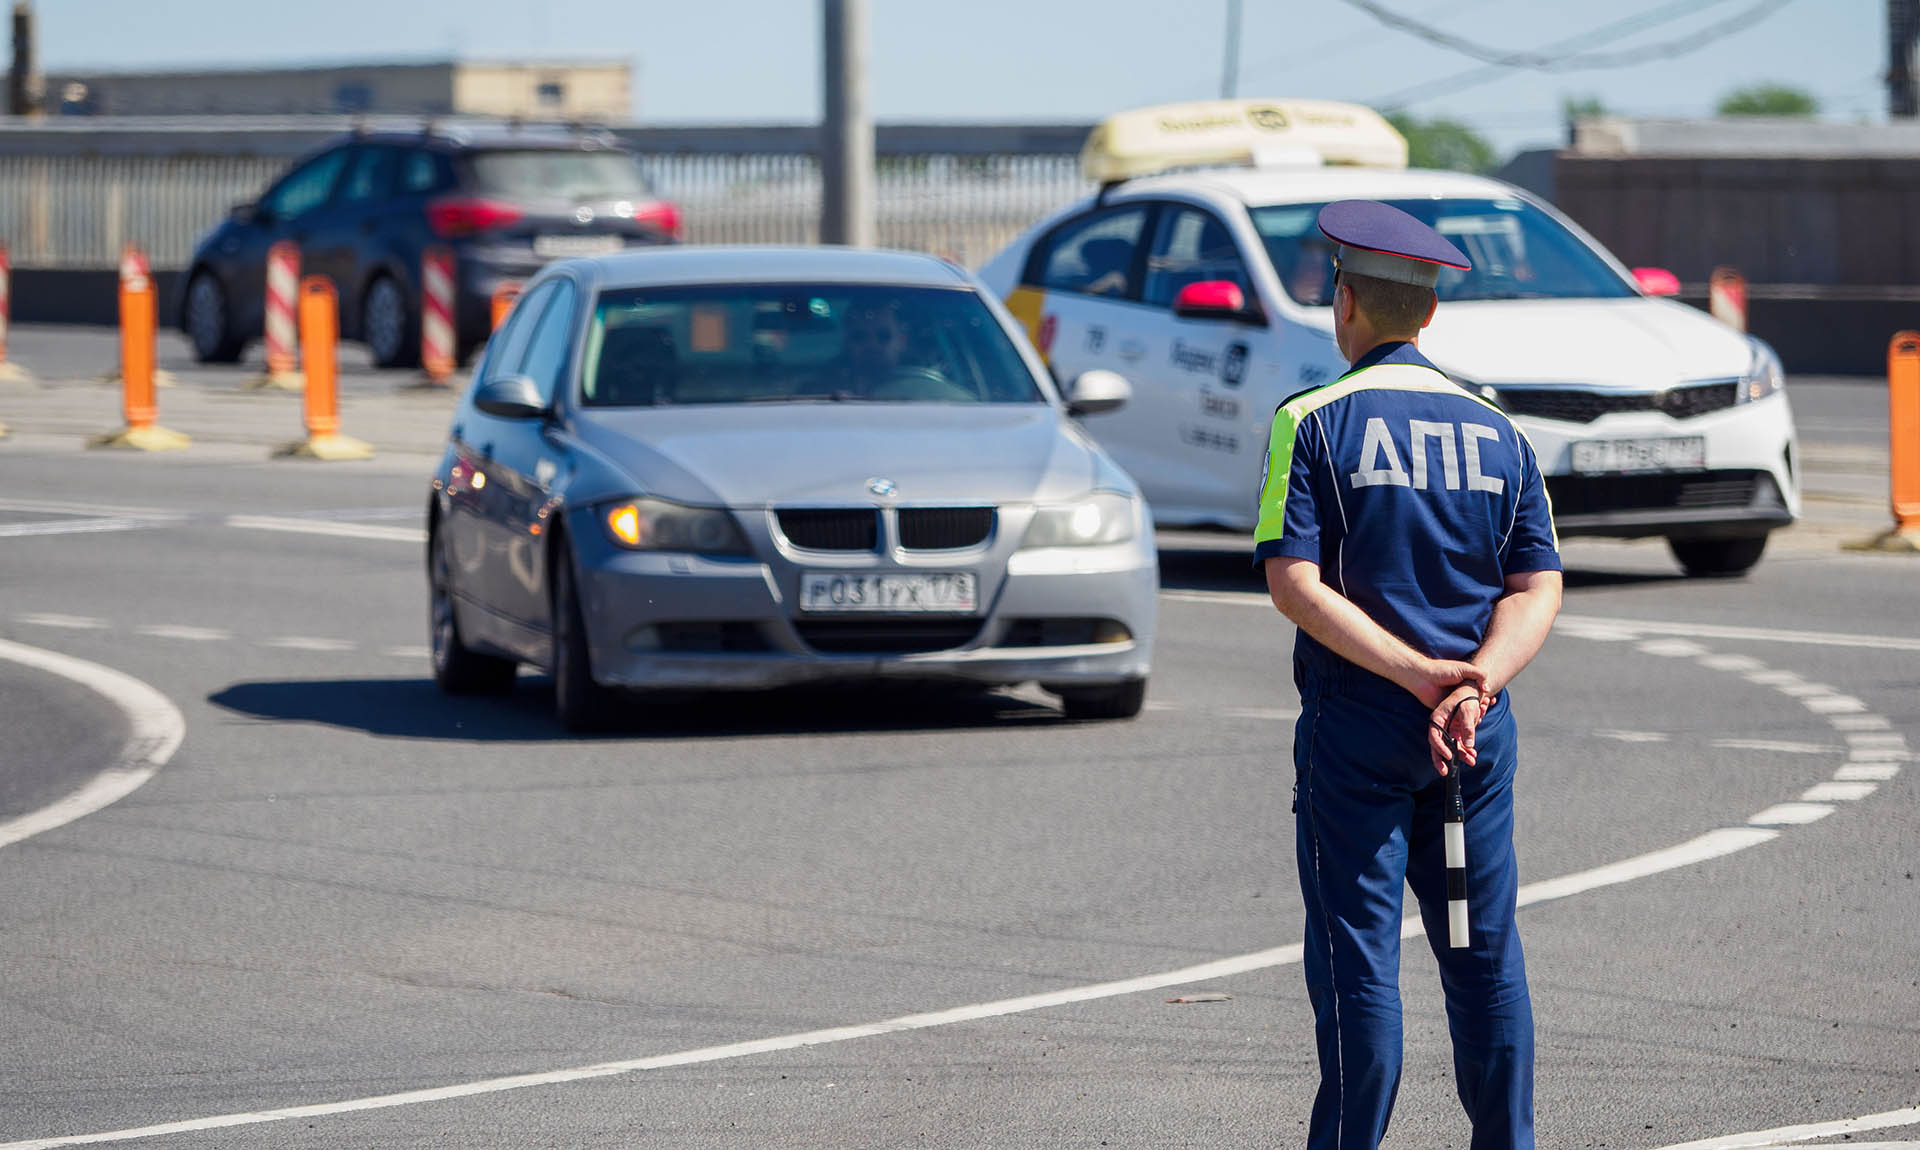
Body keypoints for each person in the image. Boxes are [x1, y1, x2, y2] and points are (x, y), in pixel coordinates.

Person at [1252, 200, 1563, 1148]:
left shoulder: (1308, 420)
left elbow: (1293, 586)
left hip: (1362, 733)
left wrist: (1414, 675)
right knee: (1481, 959)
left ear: (1343, 302)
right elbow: (1537, 585)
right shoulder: (1500, 431)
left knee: (1360, 967)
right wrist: (1475, 682)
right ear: (1428, 315)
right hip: (1472, 737)